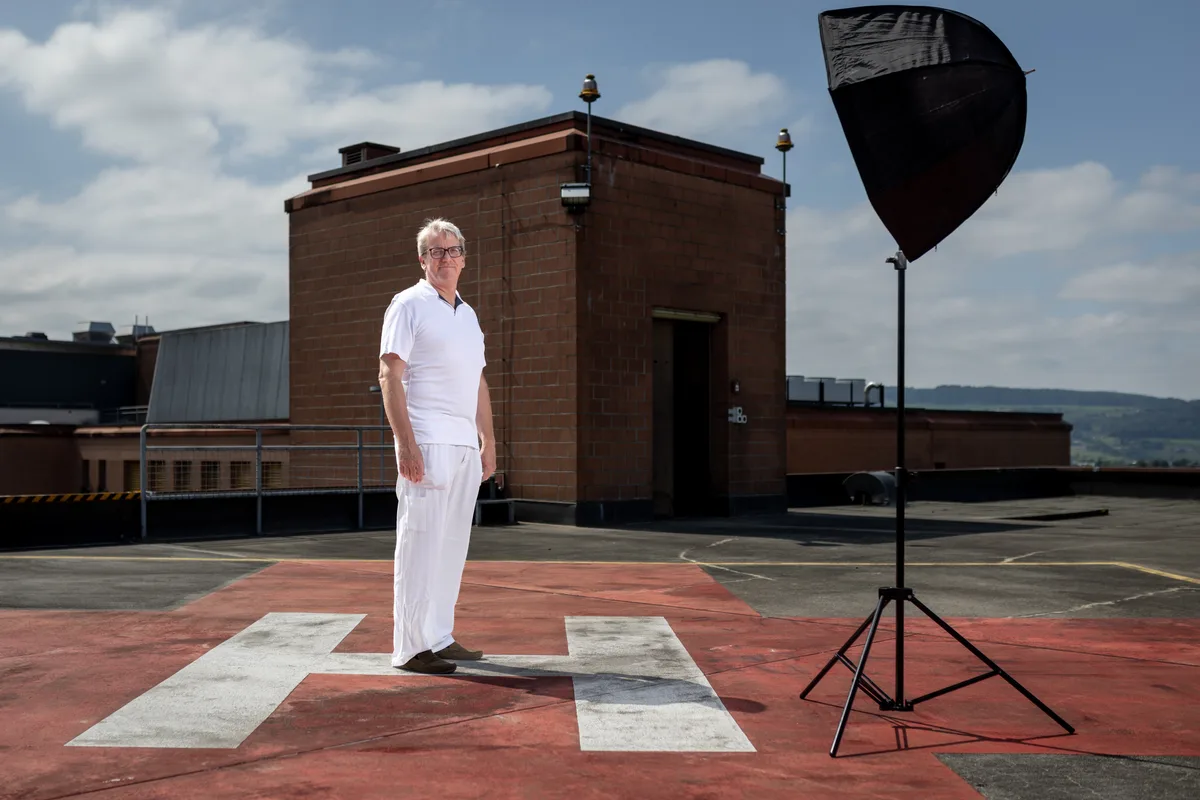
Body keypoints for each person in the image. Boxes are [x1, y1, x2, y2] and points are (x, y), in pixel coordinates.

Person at [378, 217, 496, 675]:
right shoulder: (408, 304)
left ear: (463, 258)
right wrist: (405, 443)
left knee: (450, 548)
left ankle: (438, 636)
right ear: (422, 259)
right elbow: (389, 375)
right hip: (427, 441)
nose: (445, 257)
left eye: (452, 250)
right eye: (435, 250)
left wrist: (489, 440)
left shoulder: (468, 315)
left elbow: (478, 381)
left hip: (464, 445)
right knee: (420, 545)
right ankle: (410, 648)